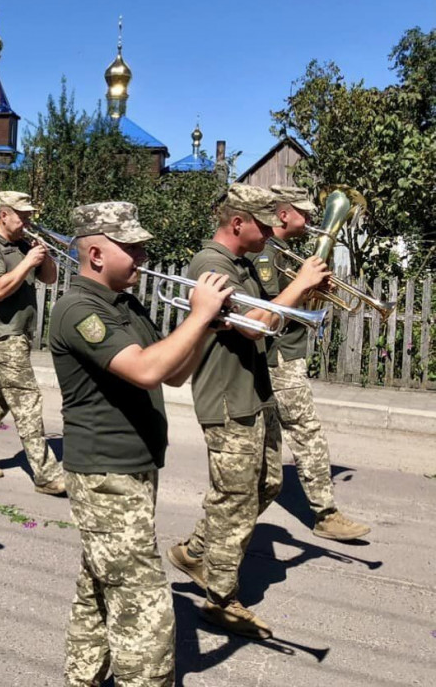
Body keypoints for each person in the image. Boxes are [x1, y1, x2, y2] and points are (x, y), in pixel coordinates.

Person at [51, 202, 233, 687]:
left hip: (134, 468)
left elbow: (172, 374)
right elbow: (145, 369)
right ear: (94, 253)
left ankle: (82, 677)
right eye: (129, 246)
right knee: (144, 607)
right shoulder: (77, 310)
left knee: (99, 585)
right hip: (105, 473)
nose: (141, 253)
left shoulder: (124, 306)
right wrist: (198, 314)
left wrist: (204, 330)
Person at [167, 184, 329, 639]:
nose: (271, 230)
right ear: (237, 223)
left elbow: (275, 317)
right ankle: (220, 598)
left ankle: (199, 550)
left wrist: (309, 293)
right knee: (235, 498)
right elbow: (254, 327)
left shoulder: (241, 264)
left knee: (268, 483)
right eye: (263, 224)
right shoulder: (211, 265)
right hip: (227, 397)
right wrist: (298, 285)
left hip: (254, 390)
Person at [255, 185, 370, 541]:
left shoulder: (282, 251)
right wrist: (305, 288)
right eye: (304, 214)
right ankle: (325, 513)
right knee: (307, 434)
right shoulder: (266, 255)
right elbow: (275, 313)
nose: (311, 221)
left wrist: (318, 289)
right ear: (284, 214)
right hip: (279, 359)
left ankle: (223, 525)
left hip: (283, 356)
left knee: (269, 454)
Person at [0, 190, 66, 495]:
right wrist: (27, 261)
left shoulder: (21, 245)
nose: (27, 222)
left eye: (30, 216)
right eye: (22, 216)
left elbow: (49, 279)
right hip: (2, 335)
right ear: (4, 215)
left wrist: (43, 256)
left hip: (18, 334)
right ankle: (46, 475)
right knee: (28, 402)